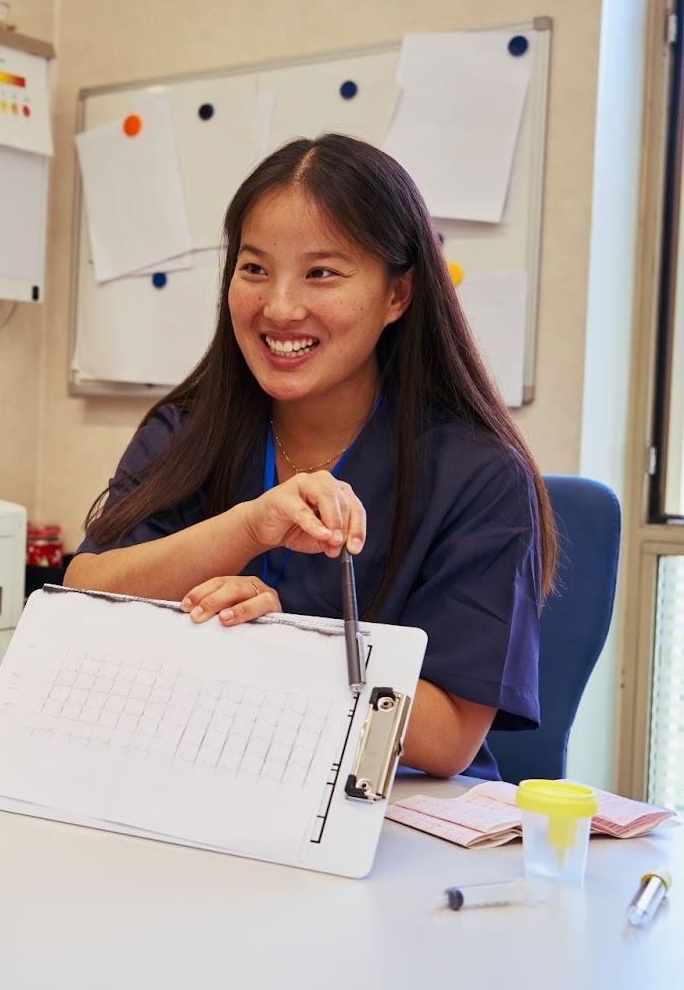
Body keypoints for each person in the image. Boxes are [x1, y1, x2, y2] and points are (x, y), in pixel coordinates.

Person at [64, 134, 554, 780]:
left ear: (398, 296)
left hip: (389, 814)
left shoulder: (477, 474)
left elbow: (448, 737)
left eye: (322, 272)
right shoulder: (188, 429)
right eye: (254, 268)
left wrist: (276, 645)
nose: (280, 307)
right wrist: (244, 528)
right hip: (205, 774)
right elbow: (81, 598)